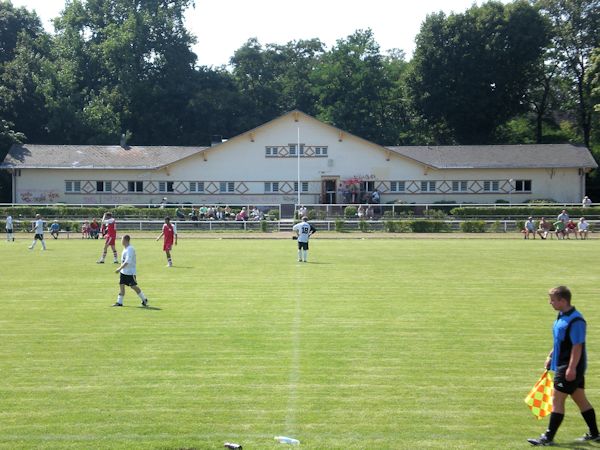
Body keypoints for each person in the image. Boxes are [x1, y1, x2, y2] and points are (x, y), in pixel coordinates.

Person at [527, 286, 599, 446]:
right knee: (581, 400)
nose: (550, 303)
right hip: (564, 365)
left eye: (552, 300)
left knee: (556, 400)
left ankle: (548, 438)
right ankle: (595, 434)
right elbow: (560, 340)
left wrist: (571, 368)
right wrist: (551, 355)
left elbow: (577, 346)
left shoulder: (576, 320)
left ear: (563, 300)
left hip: (568, 367)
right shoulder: (562, 316)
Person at [112, 235, 148, 307]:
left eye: (122, 239)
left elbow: (127, 261)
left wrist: (119, 269)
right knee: (121, 285)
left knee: (133, 286)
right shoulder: (125, 248)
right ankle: (119, 302)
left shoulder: (130, 249)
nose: (121, 241)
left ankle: (144, 299)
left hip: (130, 272)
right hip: (124, 272)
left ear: (125, 240)